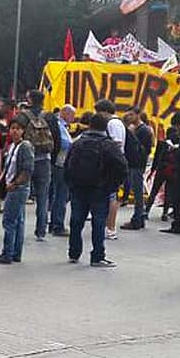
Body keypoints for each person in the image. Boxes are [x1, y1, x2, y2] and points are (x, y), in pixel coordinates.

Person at [64, 112, 128, 268]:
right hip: (100, 189)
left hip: (79, 188)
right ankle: (97, 256)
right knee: (99, 222)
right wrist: (112, 185)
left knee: (76, 221)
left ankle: (74, 253)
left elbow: (67, 165)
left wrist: (71, 184)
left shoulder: (78, 142)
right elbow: (122, 167)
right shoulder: (108, 144)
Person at [0, 117, 34, 265]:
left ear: (23, 130)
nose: (14, 131)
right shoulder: (13, 146)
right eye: (12, 128)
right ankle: (15, 253)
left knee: (9, 221)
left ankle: (7, 253)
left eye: (18, 128)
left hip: (18, 188)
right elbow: (9, 165)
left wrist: (15, 183)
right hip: (14, 186)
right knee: (18, 221)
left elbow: (27, 169)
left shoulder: (25, 146)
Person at [18, 91, 54, 242]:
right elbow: (56, 138)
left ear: (30, 100)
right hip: (44, 160)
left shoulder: (23, 116)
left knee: (21, 194)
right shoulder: (49, 116)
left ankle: (19, 227)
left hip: (27, 158)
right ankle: (41, 231)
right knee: (43, 196)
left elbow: (17, 135)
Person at [94, 99, 126, 240]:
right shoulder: (116, 123)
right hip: (113, 161)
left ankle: (110, 228)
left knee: (112, 196)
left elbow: (117, 142)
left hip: (112, 163)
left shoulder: (113, 123)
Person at [119, 111, 154, 230]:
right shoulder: (138, 129)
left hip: (137, 164)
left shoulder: (143, 130)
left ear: (137, 115)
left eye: (131, 115)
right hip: (135, 163)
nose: (128, 117)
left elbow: (141, 149)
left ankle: (137, 219)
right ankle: (139, 218)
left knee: (138, 192)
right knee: (136, 190)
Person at [49, 105, 76, 237]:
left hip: (58, 162)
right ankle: (57, 224)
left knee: (57, 194)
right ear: (64, 113)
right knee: (61, 194)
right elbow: (65, 143)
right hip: (60, 163)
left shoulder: (61, 125)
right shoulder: (60, 125)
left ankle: (53, 222)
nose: (73, 118)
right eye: (72, 115)